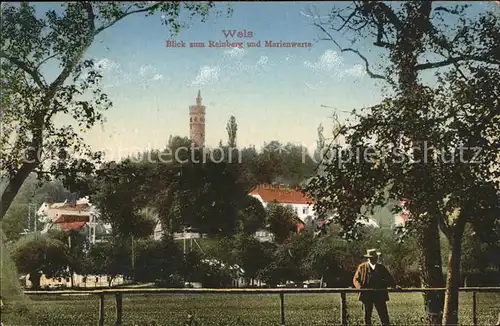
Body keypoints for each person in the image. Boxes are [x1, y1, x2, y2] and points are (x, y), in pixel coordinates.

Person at [353, 249, 398, 326]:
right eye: (372, 258)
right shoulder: (362, 267)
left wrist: (395, 285)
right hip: (367, 295)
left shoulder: (381, 268)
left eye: (375, 258)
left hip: (379, 294)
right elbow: (356, 279)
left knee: (384, 316)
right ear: (368, 258)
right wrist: (360, 288)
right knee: (367, 317)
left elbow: (389, 278)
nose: (374, 259)